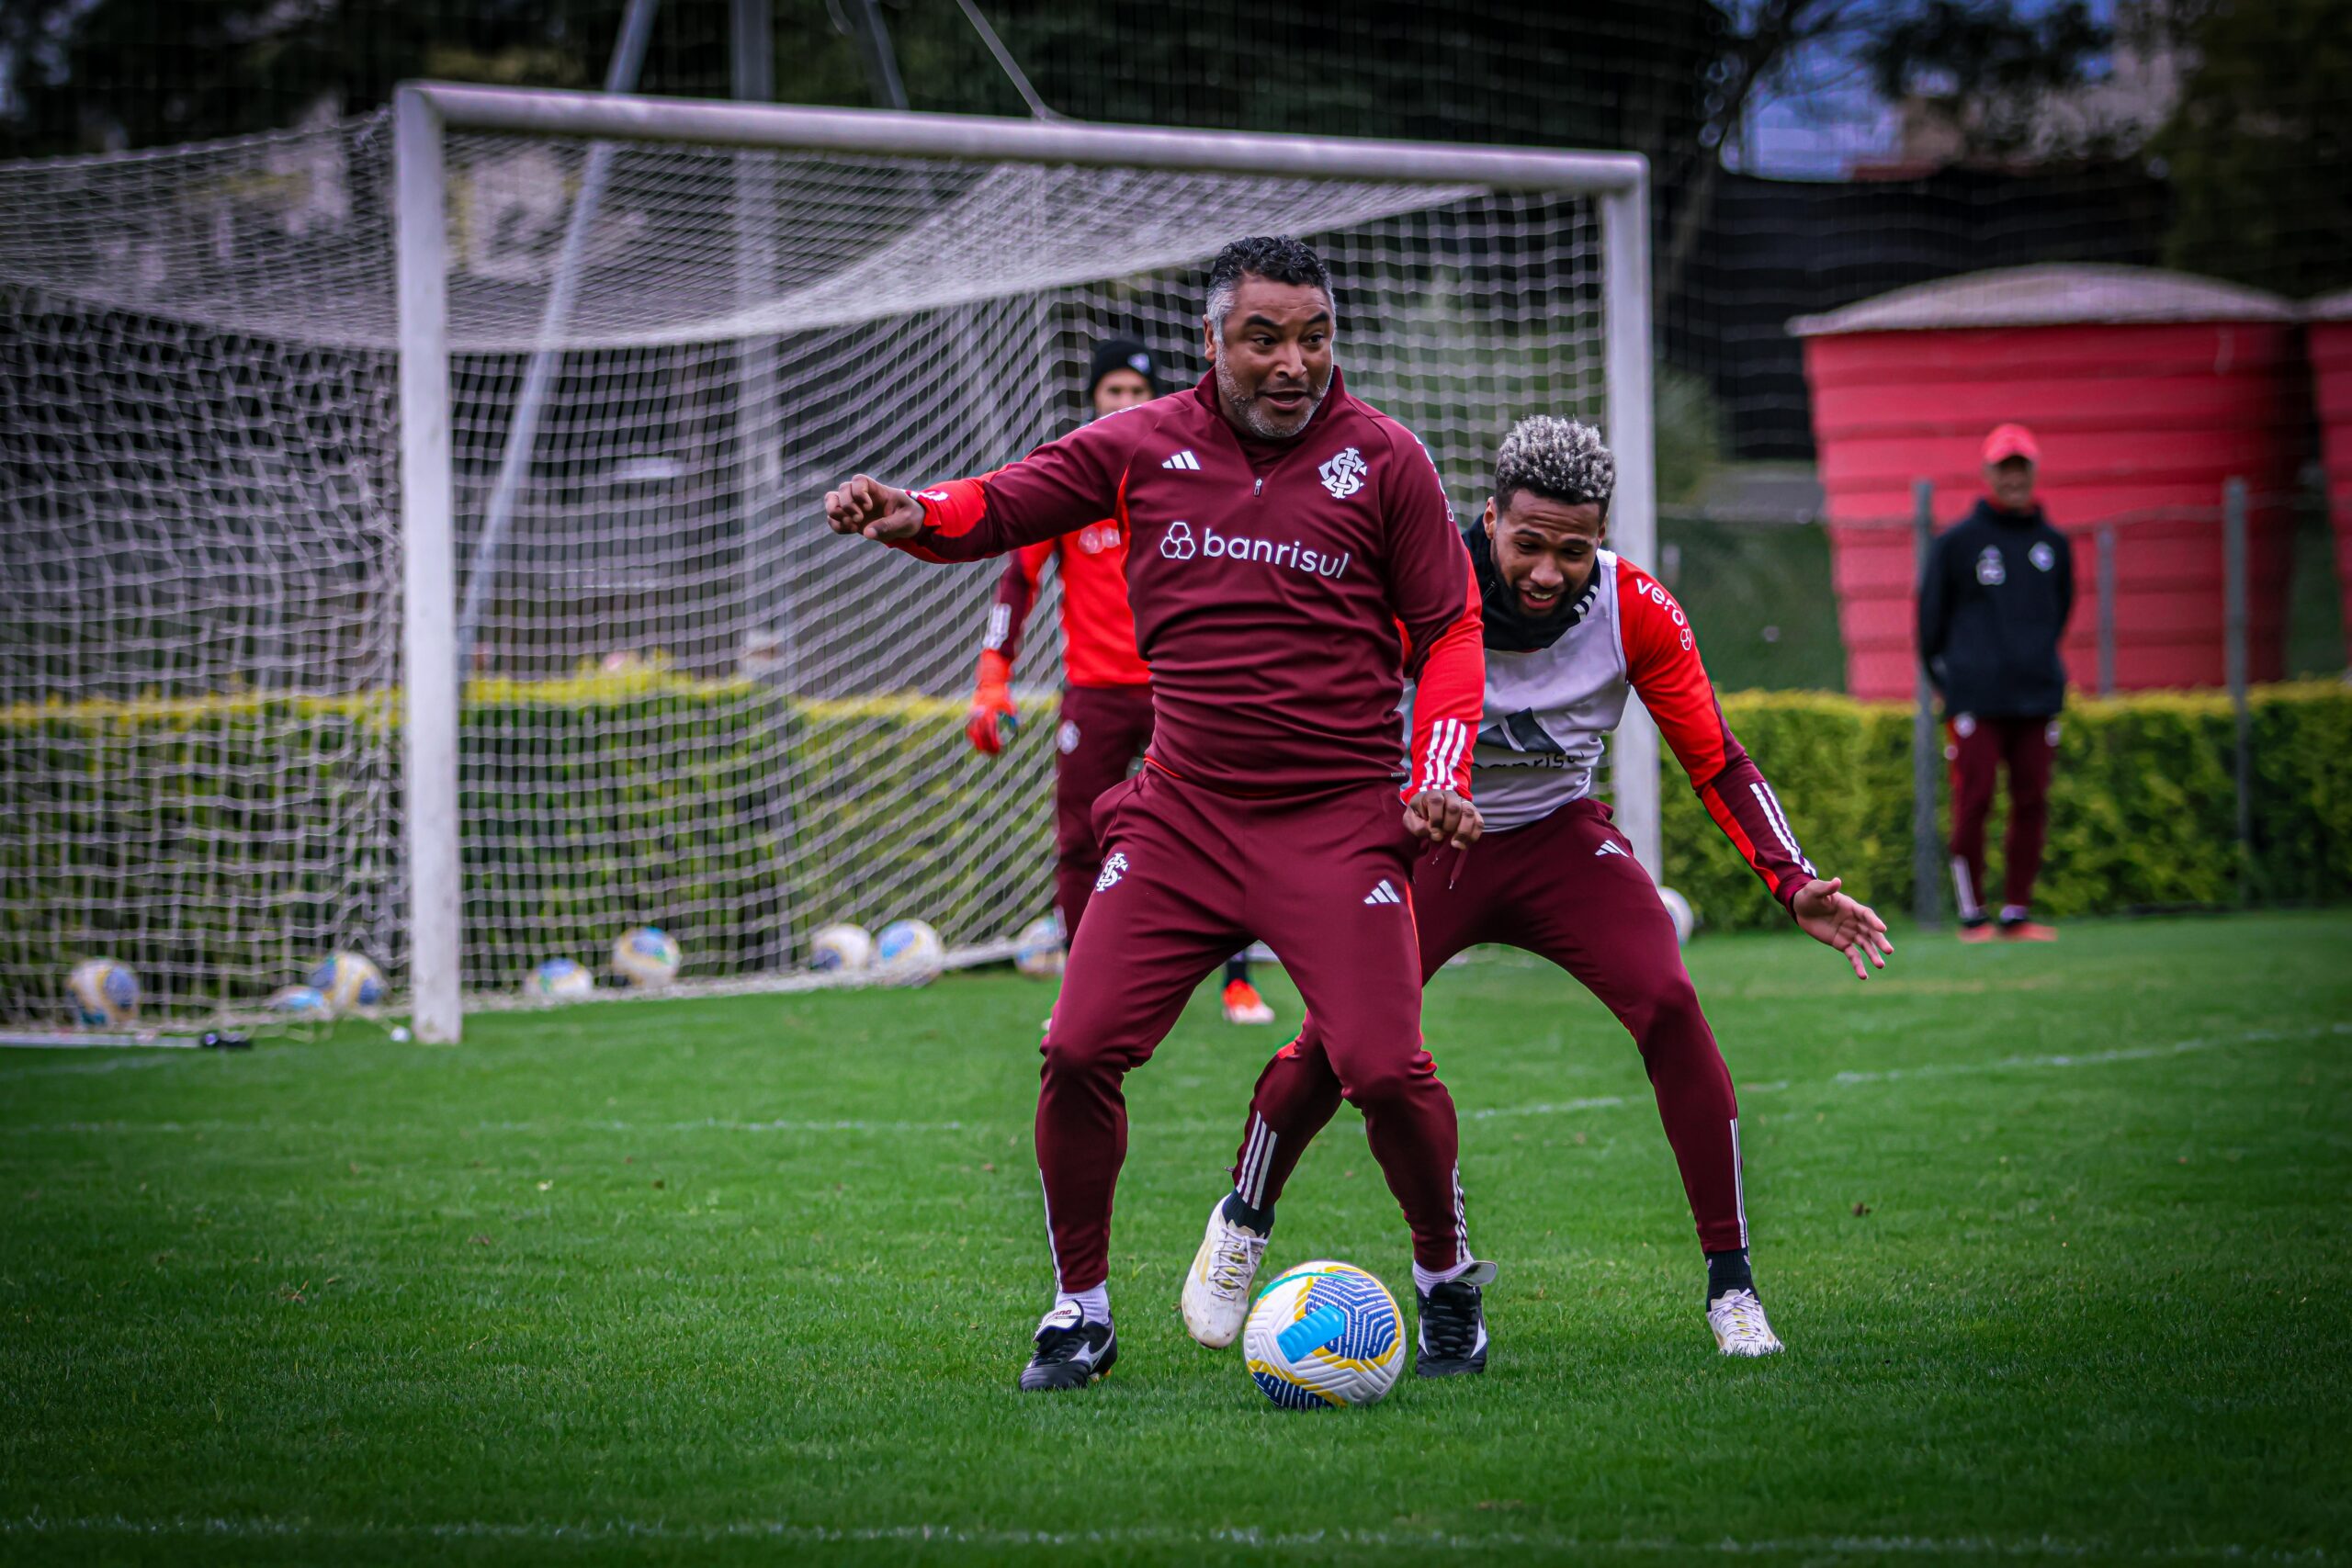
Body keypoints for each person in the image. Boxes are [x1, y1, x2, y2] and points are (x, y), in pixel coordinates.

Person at [824, 235, 1494, 1392]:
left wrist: (1440, 765)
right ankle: (1077, 1309)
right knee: (1076, 1046)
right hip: (1180, 816)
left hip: (1338, 822)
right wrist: (909, 511)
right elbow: (998, 504)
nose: (1295, 362)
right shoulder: (1139, 444)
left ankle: (1445, 1285)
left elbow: (1450, 628)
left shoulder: (1385, 459)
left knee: (1385, 1069)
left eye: (1315, 336)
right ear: (1214, 342)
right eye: (1266, 338)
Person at [1178, 416, 1893, 1365]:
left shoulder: (1634, 607)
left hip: (1557, 840)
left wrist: (1792, 882)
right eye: (1528, 544)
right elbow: (1304, 716)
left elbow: (1716, 760)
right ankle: (1243, 1217)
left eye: (1574, 548)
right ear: (1486, 520)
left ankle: (1732, 1287)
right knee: (1337, 1049)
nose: (1550, 571)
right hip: (1421, 843)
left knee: (1672, 1002)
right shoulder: (1410, 586)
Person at [964, 337, 1275, 1025]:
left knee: (1225, 831)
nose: (1127, 406)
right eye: (1114, 393)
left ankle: (1238, 981)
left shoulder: (1194, 475)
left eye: (1139, 394)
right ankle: (1080, 992)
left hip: (1185, 690)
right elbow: (1019, 578)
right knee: (1080, 839)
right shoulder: (1073, 479)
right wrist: (993, 677)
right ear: (1095, 400)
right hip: (1096, 691)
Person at [1918, 423, 2074, 942]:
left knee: (2032, 801)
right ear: (1988, 474)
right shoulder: (1957, 544)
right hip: (1975, 700)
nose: (2013, 479)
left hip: (2037, 698)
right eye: (2004, 469)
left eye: (2021, 468)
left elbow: (2061, 613)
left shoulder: (2053, 544)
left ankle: (2017, 913)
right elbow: (1929, 624)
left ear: (2032, 473)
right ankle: (1973, 915)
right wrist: (1953, 683)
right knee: (1975, 800)